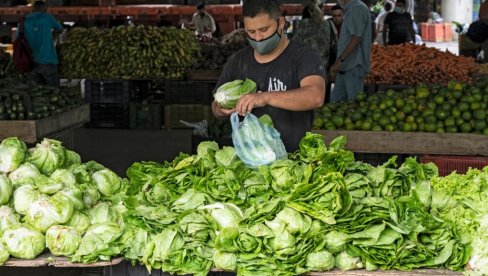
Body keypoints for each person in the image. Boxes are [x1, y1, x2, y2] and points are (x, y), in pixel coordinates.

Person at [211, 0, 326, 152]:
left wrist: (263, 98)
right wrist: (220, 110)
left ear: (281, 23)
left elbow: (315, 97)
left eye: (264, 29)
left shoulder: (304, 57)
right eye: (251, 32)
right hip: (249, 158)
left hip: (293, 160)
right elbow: (214, 106)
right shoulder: (238, 60)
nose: (258, 38)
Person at [330, 0, 372, 103]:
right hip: (346, 66)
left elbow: (357, 38)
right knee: (335, 102)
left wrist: (340, 60)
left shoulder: (357, 9)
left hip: (353, 65)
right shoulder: (351, 9)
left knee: (354, 104)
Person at [23, 0, 63, 88]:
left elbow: (18, 38)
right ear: (45, 9)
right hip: (47, 59)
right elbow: (60, 29)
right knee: (54, 90)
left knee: (36, 93)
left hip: (30, 61)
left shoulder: (24, 20)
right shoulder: (47, 17)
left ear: (32, 9)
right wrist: (53, 34)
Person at [293, 0, 335, 76]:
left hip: (306, 65)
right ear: (322, 10)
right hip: (323, 66)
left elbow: (294, 44)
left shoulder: (302, 24)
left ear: (309, 11)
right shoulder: (328, 24)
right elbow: (333, 45)